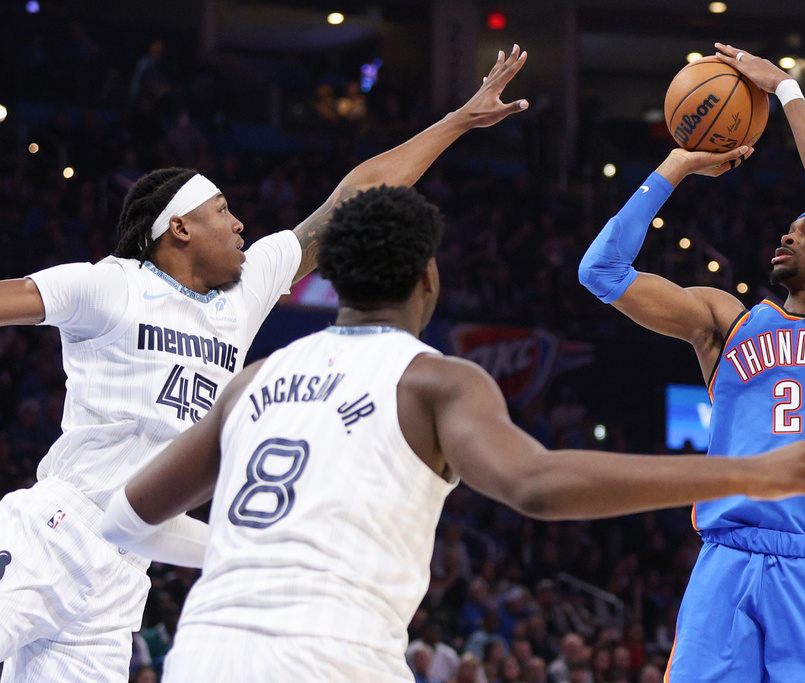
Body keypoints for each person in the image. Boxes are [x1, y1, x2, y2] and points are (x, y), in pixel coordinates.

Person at [100, 184, 805, 681]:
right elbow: (537, 485)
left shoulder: (252, 383)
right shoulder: (437, 378)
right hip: (333, 654)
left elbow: (127, 517)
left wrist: (237, 553)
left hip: (207, 652)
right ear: (428, 280)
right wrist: (750, 474)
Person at [0, 45, 531, 682]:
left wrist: (457, 121)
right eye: (222, 211)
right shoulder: (108, 286)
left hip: (125, 565)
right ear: (179, 230)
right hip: (57, 528)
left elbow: (352, 197)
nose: (240, 222)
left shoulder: (244, 291)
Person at [577, 43, 805, 682]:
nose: (788, 235)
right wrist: (675, 166)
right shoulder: (727, 321)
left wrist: (786, 92)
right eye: (787, 228)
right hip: (726, 554)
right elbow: (600, 272)